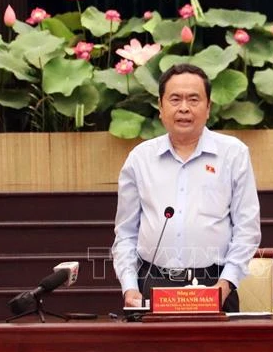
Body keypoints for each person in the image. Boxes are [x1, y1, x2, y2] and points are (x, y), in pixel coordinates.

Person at [111, 64, 261, 312]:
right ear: (160, 107)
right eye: (175, 99)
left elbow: (247, 229)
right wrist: (130, 288)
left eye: (194, 99)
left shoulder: (233, 154)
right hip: (153, 284)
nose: (184, 108)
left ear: (208, 107)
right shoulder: (140, 159)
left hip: (214, 285)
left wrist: (224, 285)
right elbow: (126, 233)